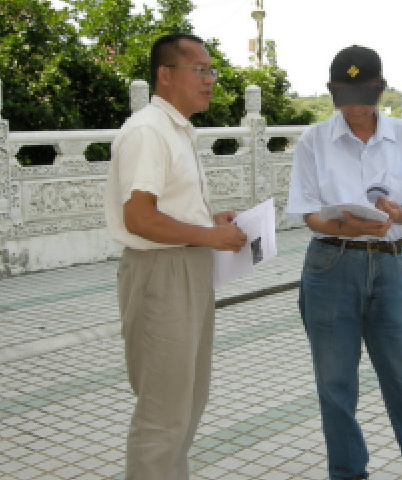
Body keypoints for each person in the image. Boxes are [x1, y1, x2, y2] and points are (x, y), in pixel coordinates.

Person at [286, 45, 402, 480]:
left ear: (380, 89)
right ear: (331, 91)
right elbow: (309, 213)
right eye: (344, 94)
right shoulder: (313, 140)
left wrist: (397, 214)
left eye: (364, 93)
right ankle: (348, 472)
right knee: (335, 385)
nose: (354, 105)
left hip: (390, 266)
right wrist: (348, 226)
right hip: (331, 265)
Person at [104, 33, 247, 480]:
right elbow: (139, 218)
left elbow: (166, 208)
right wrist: (208, 235)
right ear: (165, 75)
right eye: (199, 70)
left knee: (187, 402)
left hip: (188, 268)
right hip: (161, 274)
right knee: (163, 413)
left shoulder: (177, 130)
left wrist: (209, 222)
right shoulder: (148, 131)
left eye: (210, 70)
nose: (209, 80)